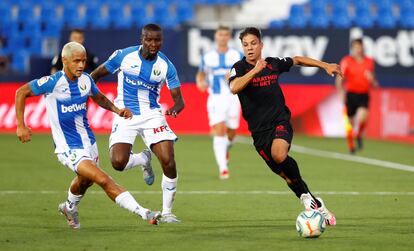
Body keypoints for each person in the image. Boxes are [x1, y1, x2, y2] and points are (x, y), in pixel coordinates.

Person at [15, 41, 161, 229]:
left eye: (83, 61)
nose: (82, 65)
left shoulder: (86, 79)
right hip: (68, 148)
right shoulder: (53, 82)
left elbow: (97, 96)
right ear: (64, 60)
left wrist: (116, 110)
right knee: (103, 179)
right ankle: (144, 212)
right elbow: (21, 92)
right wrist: (21, 125)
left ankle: (69, 207)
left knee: (85, 182)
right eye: (76, 61)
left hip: (88, 143)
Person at [228, 27, 341, 225]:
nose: (250, 48)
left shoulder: (273, 64)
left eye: (253, 43)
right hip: (259, 133)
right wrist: (255, 70)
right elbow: (234, 87)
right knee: (287, 177)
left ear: (261, 45)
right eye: (245, 45)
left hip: (280, 122)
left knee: (279, 154)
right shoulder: (238, 68)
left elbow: (297, 59)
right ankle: (314, 202)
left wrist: (324, 65)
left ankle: (307, 199)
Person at [91, 23, 184, 223]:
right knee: (117, 163)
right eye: (149, 39)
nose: (153, 44)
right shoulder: (124, 56)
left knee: (168, 160)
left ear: (162, 41)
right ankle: (143, 159)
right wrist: (85, 94)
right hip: (125, 113)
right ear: (141, 39)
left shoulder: (166, 65)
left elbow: (179, 99)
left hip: (152, 115)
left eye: (157, 40)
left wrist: (175, 108)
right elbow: (95, 76)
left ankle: (167, 212)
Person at [196, 25, 243, 180]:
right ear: (216, 36)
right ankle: (223, 168)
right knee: (219, 129)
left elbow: (245, 73)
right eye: (220, 34)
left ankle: (226, 147)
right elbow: (201, 74)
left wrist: (234, 78)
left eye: (226, 34)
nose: (223, 37)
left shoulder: (237, 54)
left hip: (233, 97)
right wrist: (201, 82)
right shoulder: (208, 56)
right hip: (215, 97)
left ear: (229, 37)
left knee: (231, 132)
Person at [336, 38, 378, 154]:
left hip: (364, 94)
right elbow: (339, 78)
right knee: (350, 122)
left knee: (362, 118)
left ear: (362, 47)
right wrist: (340, 92)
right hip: (351, 94)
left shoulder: (369, 61)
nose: (358, 49)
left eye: (360, 47)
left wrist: (372, 79)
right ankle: (351, 146)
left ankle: (359, 135)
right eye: (355, 47)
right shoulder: (347, 61)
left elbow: (375, 83)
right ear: (352, 49)